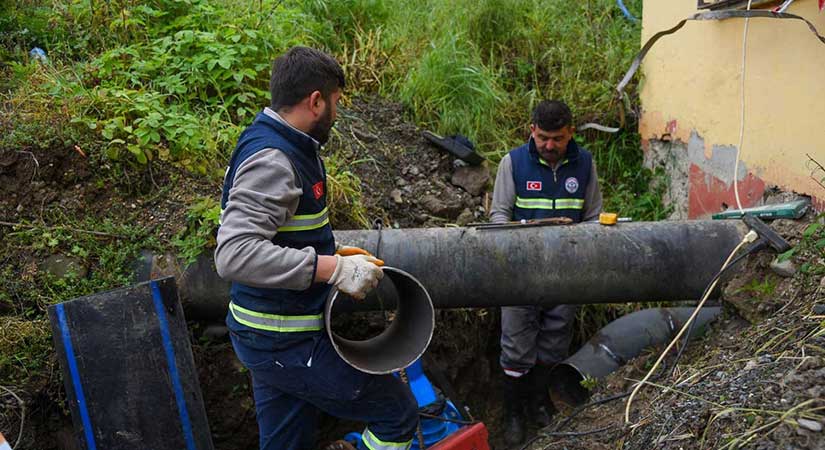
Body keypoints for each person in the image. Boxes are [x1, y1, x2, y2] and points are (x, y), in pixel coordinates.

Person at [215, 46, 418, 450]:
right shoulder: (274, 158)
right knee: (397, 415)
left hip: (271, 336)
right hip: (282, 340)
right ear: (315, 101)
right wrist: (332, 270)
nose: (337, 115)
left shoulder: (283, 143)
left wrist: (335, 254)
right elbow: (234, 253)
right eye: (336, 103)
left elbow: (284, 231)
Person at [489, 100, 603, 446]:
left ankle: (539, 402)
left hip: (566, 275)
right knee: (515, 347)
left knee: (554, 343)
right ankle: (512, 413)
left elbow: (595, 217)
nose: (550, 146)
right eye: (543, 138)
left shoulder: (584, 165)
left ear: (570, 133)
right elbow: (498, 218)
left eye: (557, 138)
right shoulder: (513, 163)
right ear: (531, 131)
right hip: (520, 275)